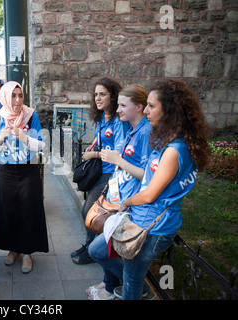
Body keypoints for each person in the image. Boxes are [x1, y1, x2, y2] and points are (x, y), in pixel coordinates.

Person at [88, 79, 210, 300]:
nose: (146, 109)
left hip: (153, 226)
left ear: (170, 110)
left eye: (152, 106)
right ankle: (138, 290)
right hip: (140, 217)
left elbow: (151, 193)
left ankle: (139, 292)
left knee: (132, 279)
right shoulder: (165, 140)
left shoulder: (175, 149)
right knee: (98, 251)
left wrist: (125, 203)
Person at [85, 84, 153, 300]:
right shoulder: (132, 128)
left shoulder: (146, 132)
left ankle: (131, 287)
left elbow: (148, 175)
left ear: (139, 107)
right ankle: (111, 285)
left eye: (123, 105)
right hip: (117, 198)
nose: (118, 109)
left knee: (97, 250)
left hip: (129, 206)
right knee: (100, 246)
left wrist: (118, 160)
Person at [0, 81, 48, 273]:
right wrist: (1, 138)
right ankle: (13, 250)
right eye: (13, 95)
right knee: (8, 211)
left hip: (28, 170)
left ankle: (27, 252)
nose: (17, 100)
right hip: (6, 172)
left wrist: (25, 138)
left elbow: (41, 145)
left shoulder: (31, 116)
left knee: (28, 211)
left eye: (20, 95)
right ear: (5, 97)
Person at [71, 78, 131, 264]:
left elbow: (119, 152)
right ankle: (90, 246)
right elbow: (101, 140)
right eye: (96, 94)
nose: (98, 98)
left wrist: (94, 155)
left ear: (112, 96)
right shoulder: (102, 118)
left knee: (89, 211)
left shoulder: (118, 121)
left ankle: (92, 250)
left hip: (111, 174)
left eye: (102, 94)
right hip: (99, 172)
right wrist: (93, 148)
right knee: (90, 211)